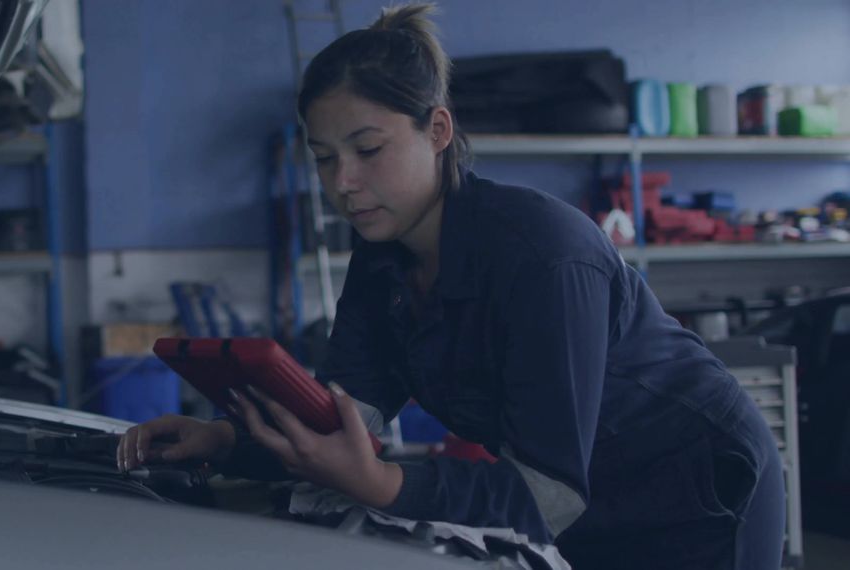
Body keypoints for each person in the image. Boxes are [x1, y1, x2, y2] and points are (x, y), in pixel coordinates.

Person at [117, 4, 786, 568]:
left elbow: (549, 492)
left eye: (368, 149)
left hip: (696, 493)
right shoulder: (380, 258)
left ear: (437, 130)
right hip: (579, 505)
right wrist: (228, 440)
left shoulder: (542, 257)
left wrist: (382, 483)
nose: (342, 181)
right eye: (324, 159)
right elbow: (346, 418)